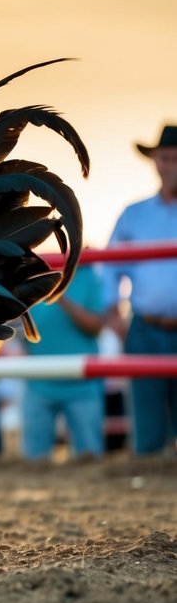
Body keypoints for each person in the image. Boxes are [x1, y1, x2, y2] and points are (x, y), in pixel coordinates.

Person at [100, 124, 177, 455]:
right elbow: (110, 269)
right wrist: (113, 313)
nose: (169, 165)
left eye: (174, 158)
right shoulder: (134, 215)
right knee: (146, 424)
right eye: (164, 158)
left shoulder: (134, 215)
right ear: (155, 162)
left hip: (151, 324)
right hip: (146, 326)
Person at [19, 267, 107, 460]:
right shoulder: (33, 271)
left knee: (89, 458)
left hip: (81, 384)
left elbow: (96, 326)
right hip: (39, 382)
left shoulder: (88, 275)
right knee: (34, 461)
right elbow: (19, 328)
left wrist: (60, 296)